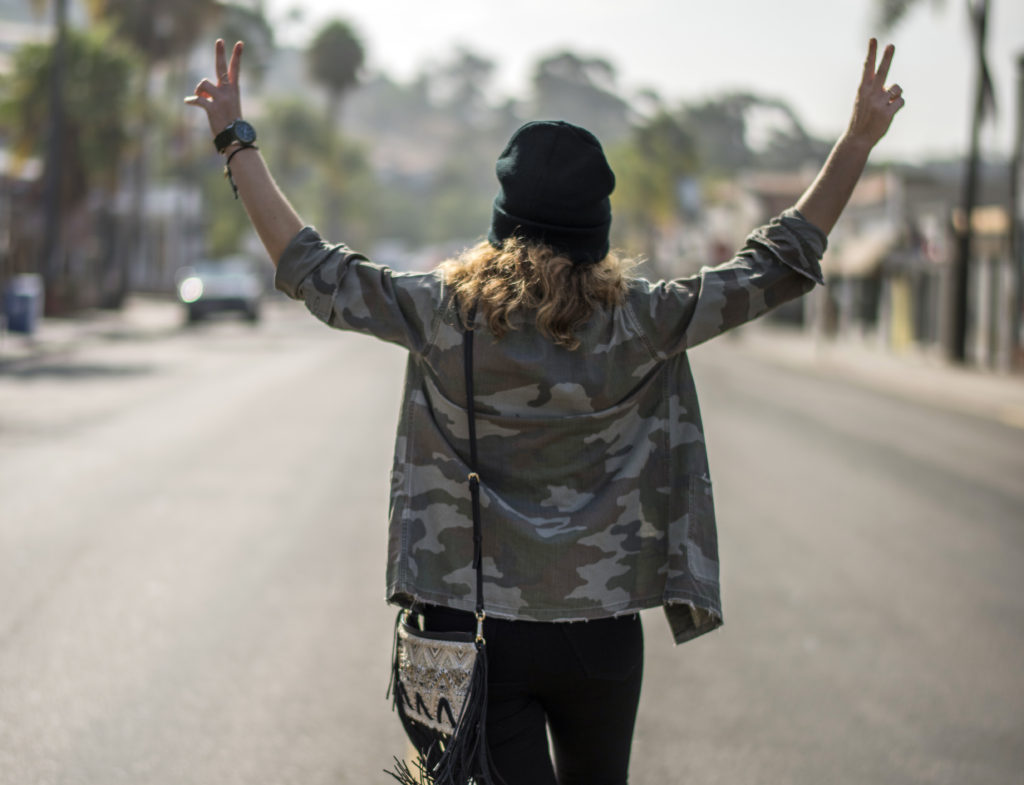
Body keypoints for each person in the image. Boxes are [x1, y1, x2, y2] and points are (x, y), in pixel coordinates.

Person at [186, 38, 903, 785]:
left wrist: (236, 143)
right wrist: (857, 140)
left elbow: (309, 265)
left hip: (476, 626)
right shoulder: (643, 320)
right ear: (597, 230)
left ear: (503, 219)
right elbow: (778, 262)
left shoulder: (441, 313)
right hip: (603, 633)